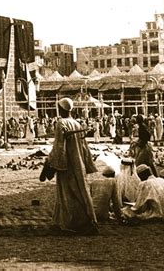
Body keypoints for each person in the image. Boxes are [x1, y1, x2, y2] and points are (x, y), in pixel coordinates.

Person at [47, 97, 99, 235]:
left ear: (61, 108)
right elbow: (84, 147)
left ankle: (69, 222)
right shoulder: (77, 123)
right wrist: (85, 162)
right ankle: (84, 218)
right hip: (78, 162)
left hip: (67, 163)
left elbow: (59, 145)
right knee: (80, 190)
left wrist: (55, 163)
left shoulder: (61, 123)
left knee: (66, 192)